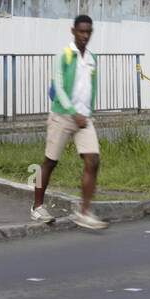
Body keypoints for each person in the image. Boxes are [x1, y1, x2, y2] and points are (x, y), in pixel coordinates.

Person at [30, 15, 107, 230]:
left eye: (89, 32)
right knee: (49, 162)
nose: (85, 36)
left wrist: (88, 112)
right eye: (82, 31)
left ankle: (84, 212)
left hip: (84, 118)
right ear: (73, 31)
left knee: (93, 161)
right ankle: (37, 206)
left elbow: (92, 87)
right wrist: (73, 113)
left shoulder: (92, 58)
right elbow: (59, 88)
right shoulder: (63, 56)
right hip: (63, 115)